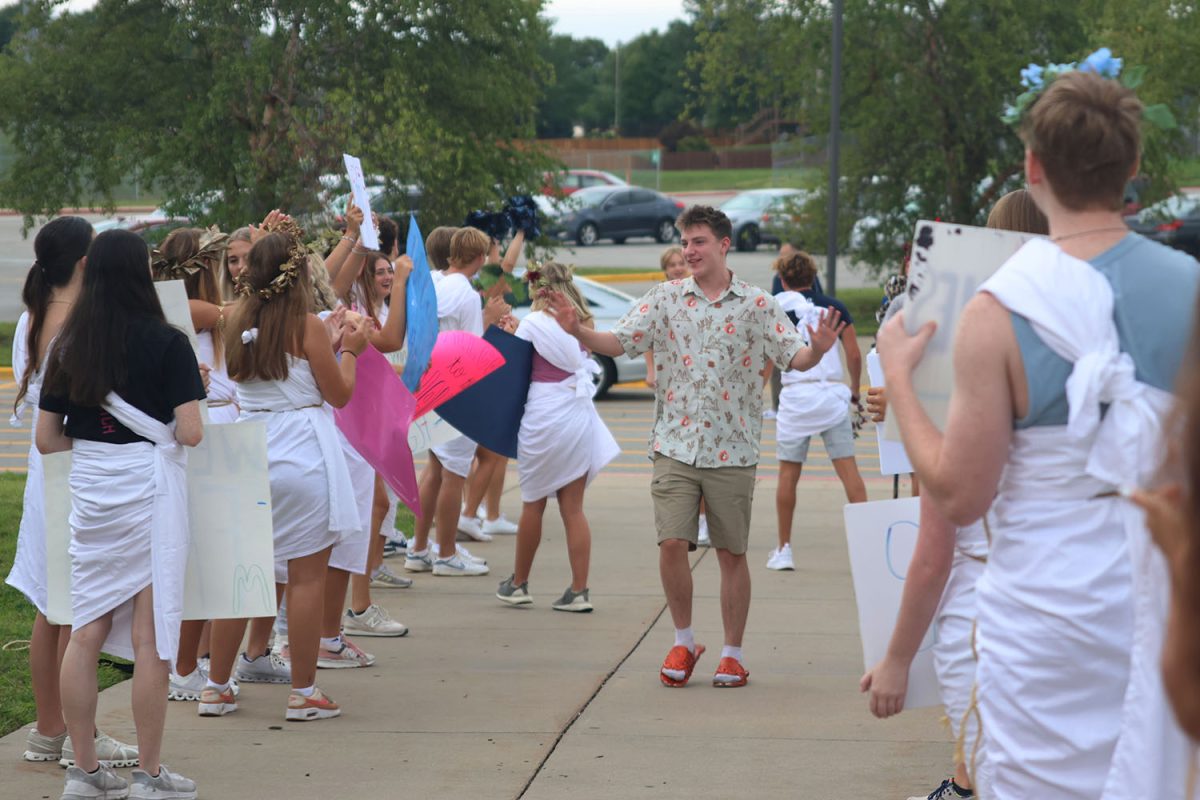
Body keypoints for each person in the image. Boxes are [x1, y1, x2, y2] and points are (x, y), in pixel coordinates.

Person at [878, 69, 1200, 798]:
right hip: (1167, 598)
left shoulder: (998, 310)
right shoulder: (1190, 287)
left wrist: (900, 380)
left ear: (1034, 168)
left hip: (1045, 617)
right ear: (1133, 168)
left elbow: (960, 496)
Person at [546, 204, 843, 688]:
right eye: (685, 243)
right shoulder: (664, 298)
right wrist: (576, 329)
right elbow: (619, 342)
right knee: (671, 544)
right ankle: (684, 641)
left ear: (724, 245)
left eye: (698, 242)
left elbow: (797, 358)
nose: (689, 251)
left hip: (733, 449)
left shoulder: (756, 304)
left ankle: (732, 653)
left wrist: (822, 349)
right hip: (675, 445)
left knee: (730, 552)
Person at [860, 189, 1049, 800]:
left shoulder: (969, 353)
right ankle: (963, 782)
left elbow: (934, 552)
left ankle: (968, 784)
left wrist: (896, 659)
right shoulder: (1077, 347)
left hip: (989, 606)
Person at [38, 228, 206, 800]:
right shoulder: (169, 342)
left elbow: (46, 439)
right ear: (143, 275)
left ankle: (82, 773)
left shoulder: (67, 345)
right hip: (149, 492)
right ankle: (150, 776)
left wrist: (96, 451)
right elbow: (190, 432)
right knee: (150, 638)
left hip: (92, 493)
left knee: (83, 632)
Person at [204, 216, 369, 722]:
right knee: (304, 577)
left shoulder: (232, 321)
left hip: (249, 448)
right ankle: (303, 692)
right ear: (297, 276)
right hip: (300, 453)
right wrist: (350, 350)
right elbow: (339, 394)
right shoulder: (307, 328)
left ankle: (216, 687)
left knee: (242, 574)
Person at [6, 217, 141, 772]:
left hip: (46, 474)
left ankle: (49, 728)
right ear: (86, 263)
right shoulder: (81, 328)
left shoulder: (28, 320)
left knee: (52, 606)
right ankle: (73, 737)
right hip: (79, 474)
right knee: (78, 610)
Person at [496, 262, 620, 611]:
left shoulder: (534, 323)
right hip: (577, 413)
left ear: (539, 290)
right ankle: (579, 591)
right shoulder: (585, 324)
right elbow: (566, 351)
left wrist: (512, 331)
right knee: (573, 507)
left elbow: (518, 364)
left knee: (533, 502)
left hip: (544, 415)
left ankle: (519, 584)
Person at [406, 226, 509, 576]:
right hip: (458, 386)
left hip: (429, 383)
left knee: (434, 469)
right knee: (454, 473)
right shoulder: (465, 293)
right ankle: (446, 553)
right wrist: (493, 323)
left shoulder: (435, 282)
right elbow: (472, 346)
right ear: (479, 258)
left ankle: (419, 548)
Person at [769, 250, 867, 572]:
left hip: (796, 399)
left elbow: (766, 361)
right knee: (848, 472)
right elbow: (853, 355)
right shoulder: (835, 308)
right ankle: (868, 544)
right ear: (813, 277)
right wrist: (854, 391)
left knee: (788, 475)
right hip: (831, 398)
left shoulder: (777, 310)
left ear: (782, 279)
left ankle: (784, 548)